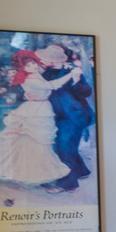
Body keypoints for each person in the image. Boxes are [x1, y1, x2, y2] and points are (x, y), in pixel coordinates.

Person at [0, 50, 82, 190]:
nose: (33, 66)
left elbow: (44, 72)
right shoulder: (28, 78)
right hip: (36, 111)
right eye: (28, 65)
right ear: (23, 68)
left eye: (33, 63)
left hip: (43, 109)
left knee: (41, 143)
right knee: (34, 143)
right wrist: (71, 75)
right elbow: (51, 86)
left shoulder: (35, 73)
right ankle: (37, 174)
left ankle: (44, 174)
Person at [37, 43, 94, 191]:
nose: (44, 60)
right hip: (56, 116)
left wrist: (76, 80)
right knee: (63, 145)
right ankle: (82, 171)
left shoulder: (73, 71)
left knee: (64, 145)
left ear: (55, 60)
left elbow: (87, 92)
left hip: (73, 116)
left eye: (47, 58)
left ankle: (67, 183)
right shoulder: (46, 73)